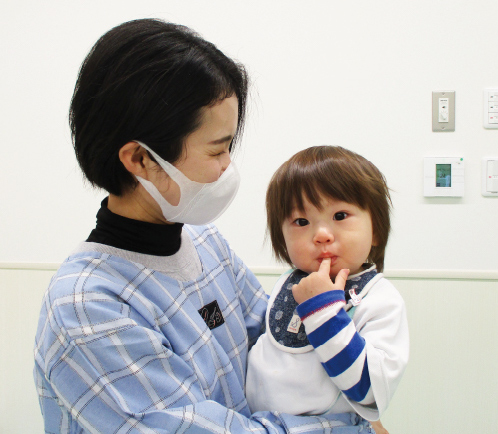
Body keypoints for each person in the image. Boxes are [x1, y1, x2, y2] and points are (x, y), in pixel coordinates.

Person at [33, 19, 374, 433]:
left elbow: (278, 347)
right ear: (140, 159)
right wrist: (351, 426)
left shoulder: (206, 245)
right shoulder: (87, 309)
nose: (228, 165)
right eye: (217, 150)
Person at [246, 146, 409, 433]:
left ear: (376, 230)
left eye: (340, 215)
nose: (321, 235)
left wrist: (324, 312)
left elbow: (370, 392)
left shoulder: (380, 300)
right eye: (301, 222)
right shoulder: (289, 286)